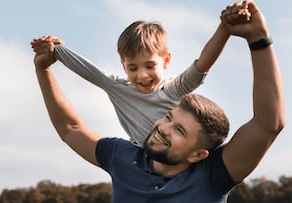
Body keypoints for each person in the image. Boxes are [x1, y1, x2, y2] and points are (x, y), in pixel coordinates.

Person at [32, 1, 285, 202]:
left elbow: (268, 124)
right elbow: (70, 128)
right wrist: (44, 70)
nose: (163, 128)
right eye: (168, 118)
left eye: (180, 131)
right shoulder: (121, 157)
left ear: (199, 154)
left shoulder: (214, 175)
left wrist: (259, 39)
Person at [31, 6, 250, 147]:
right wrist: (55, 49)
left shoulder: (173, 90)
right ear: (123, 66)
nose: (142, 75)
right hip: (145, 162)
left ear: (165, 61)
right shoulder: (118, 88)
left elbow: (202, 65)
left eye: (150, 65)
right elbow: (88, 70)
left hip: (184, 161)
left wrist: (225, 28)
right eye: (133, 68)